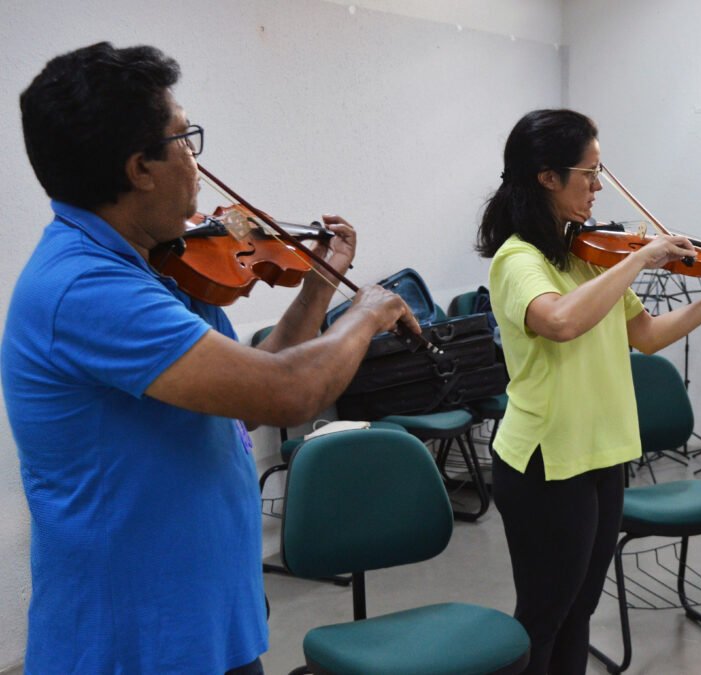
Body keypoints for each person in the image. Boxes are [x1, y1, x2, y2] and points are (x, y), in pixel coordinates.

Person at [2, 42, 418, 674]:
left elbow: (248, 394)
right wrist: (367, 312)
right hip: (135, 638)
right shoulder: (87, 289)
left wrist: (320, 283)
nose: (197, 164)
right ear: (141, 167)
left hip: (206, 616)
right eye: (185, 140)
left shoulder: (162, 269)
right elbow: (284, 393)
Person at [475, 108, 701, 674]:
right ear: (546, 176)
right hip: (546, 460)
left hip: (603, 452)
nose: (597, 187)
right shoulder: (520, 259)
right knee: (544, 614)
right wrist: (640, 258)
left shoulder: (588, 255)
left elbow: (649, 335)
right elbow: (559, 322)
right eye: (588, 173)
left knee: (580, 610)